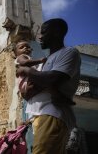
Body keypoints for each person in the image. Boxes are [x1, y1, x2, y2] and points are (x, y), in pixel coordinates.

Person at [16, 18, 81, 154]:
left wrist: (27, 71)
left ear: (57, 32)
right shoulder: (41, 63)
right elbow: (27, 93)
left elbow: (52, 79)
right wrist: (37, 81)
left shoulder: (69, 53)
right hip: (38, 116)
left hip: (52, 113)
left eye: (44, 32)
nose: (40, 36)